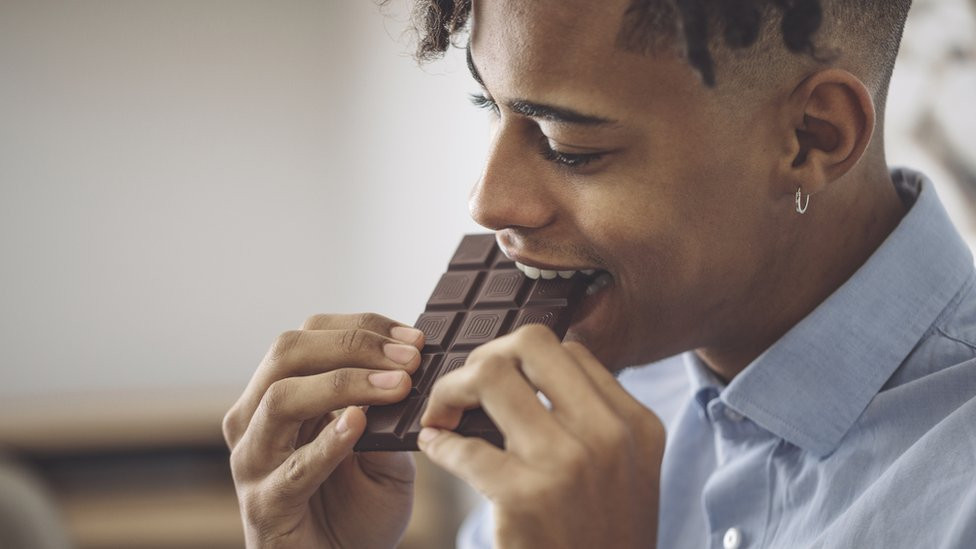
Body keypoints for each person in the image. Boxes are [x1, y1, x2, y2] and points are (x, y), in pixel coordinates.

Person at [221, 0, 976, 547]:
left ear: (813, 137)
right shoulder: (562, 408)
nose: (487, 202)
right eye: (490, 104)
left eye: (569, 145)